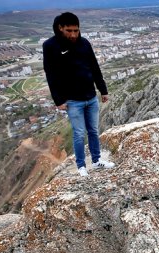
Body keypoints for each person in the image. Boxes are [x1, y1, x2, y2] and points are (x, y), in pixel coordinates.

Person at [43, 12, 114, 177]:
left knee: (94, 131)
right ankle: (81, 166)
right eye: (69, 30)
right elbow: (50, 74)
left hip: (90, 96)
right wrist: (58, 100)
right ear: (60, 28)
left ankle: (96, 161)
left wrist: (103, 90)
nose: (73, 34)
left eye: (76, 30)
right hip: (72, 100)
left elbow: (95, 67)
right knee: (79, 134)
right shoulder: (50, 46)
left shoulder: (84, 43)